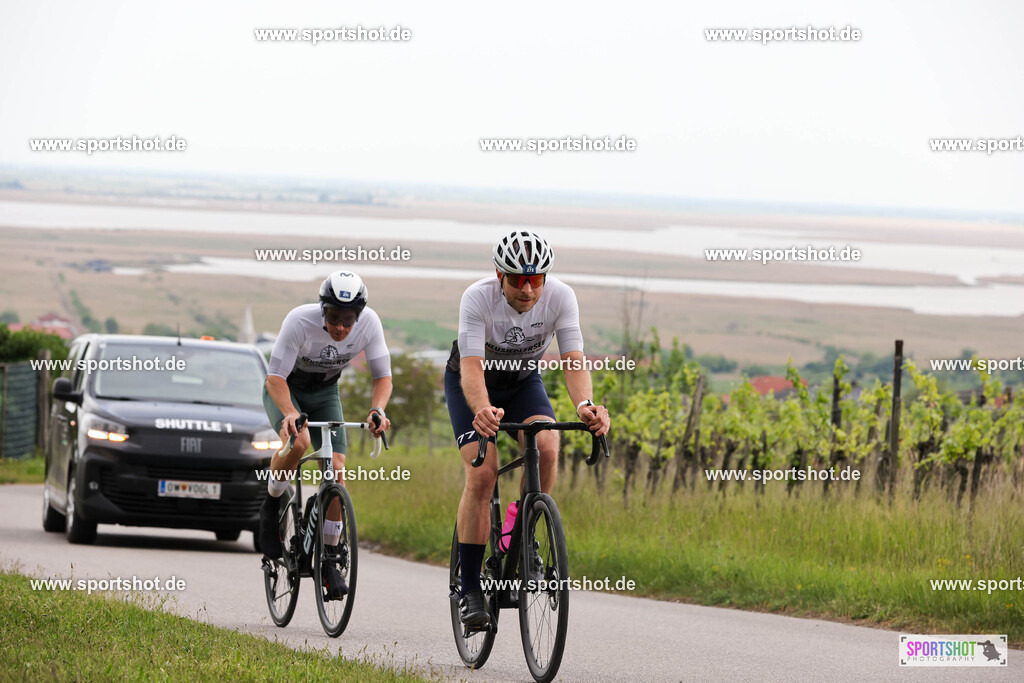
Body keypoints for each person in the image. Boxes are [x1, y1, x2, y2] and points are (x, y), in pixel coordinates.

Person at [445, 230, 610, 626]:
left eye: (536, 279)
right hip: (473, 383)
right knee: (483, 475)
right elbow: (471, 367)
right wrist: (482, 409)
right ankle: (470, 589)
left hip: (522, 382)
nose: (527, 288)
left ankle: (523, 536)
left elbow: (573, 358)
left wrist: (586, 406)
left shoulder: (561, 297)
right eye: (518, 279)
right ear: (499, 274)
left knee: (548, 447)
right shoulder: (477, 298)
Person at [259, 270, 392, 599]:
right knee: (299, 443)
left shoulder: (370, 323)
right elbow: (274, 378)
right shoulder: (299, 321)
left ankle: (330, 557)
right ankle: (273, 501)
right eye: (334, 318)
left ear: (358, 316)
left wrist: (378, 410)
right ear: (323, 310)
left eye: (348, 320)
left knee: (336, 470)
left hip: (325, 394)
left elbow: (382, 377)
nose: (341, 327)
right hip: (287, 391)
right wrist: (290, 412)